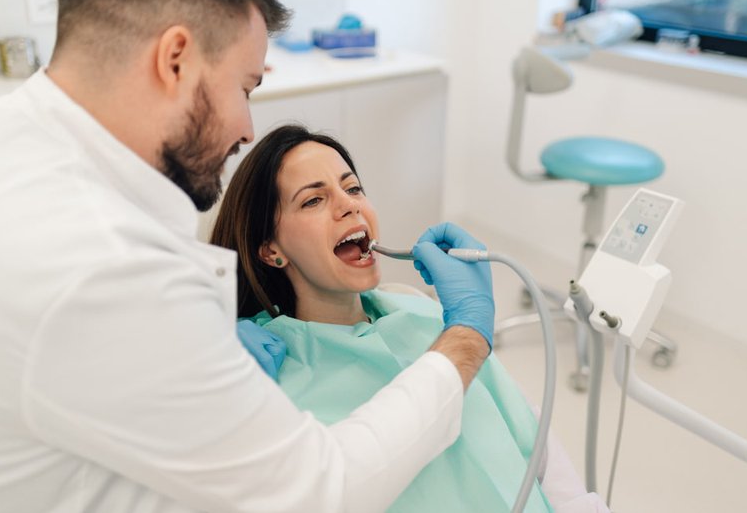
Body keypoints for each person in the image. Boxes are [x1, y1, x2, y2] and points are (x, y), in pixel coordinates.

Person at [0, 0, 496, 511]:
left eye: (353, 188)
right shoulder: (106, 268)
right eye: (244, 88)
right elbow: (315, 492)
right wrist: (467, 336)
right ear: (175, 59)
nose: (246, 130)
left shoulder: (8, 140)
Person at [209, 124, 554, 512]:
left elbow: (535, 451)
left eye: (353, 188)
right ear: (272, 251)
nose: (349, 205)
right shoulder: (275, 386)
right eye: (313, 200)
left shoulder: (429, 315)